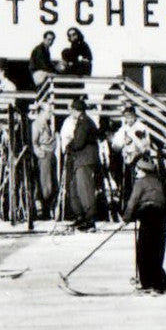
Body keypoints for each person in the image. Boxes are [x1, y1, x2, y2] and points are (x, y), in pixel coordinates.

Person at [123, 156, 166, 293]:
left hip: (148, 215)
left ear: (143, 170)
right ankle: (158, 281)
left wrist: (127, 217)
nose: (136, 172)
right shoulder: (161, 181)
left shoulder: (140, 182)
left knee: (144, 250)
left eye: (138, 170)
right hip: (162, 216)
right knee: (157, 250)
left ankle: (147, 282)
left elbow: (133, 201)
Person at [63, 96, 101, 230]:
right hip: (79, 160)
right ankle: (80, 216)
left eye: (72, 110)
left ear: (76, 110)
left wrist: (70, 145)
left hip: (85, 159)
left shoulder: (84, 122)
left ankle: (90, 218)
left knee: (85, 189)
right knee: (75, 188)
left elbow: (79, 142)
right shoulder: (81, 121)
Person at [31, 105, 58, 219]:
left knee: (52, 183)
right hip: (44, 155)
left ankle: (48, 209)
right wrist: (39, 152)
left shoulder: (48, 123)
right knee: (45, 185)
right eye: (49, 111)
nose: (51, 113)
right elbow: (34, 142)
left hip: (51, 155)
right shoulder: (37, 124)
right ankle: (43, 211)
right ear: (42, 111)